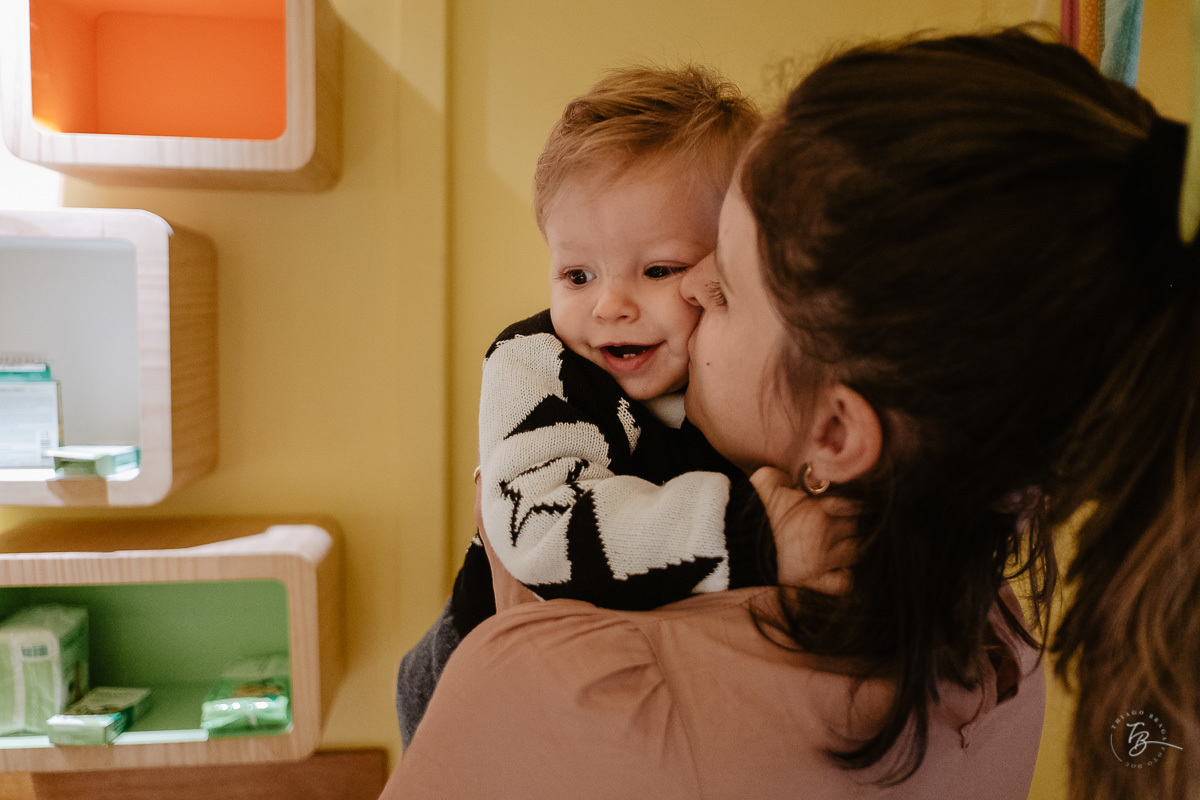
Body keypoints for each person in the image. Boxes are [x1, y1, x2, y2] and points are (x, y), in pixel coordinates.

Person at [376, 27, 1157, 800]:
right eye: (576, 272)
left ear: (836, 435)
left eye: (713, 281)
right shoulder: (1001, 644)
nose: (661, 299)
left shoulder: (601, 695)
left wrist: (531, 657)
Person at [394, 65, 767, 749]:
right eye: (577, 275)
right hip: (463, 669)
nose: (609, 305)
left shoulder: (736, 370)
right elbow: (542, 534)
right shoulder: (537, 364)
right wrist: (754, 534)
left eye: (658, 270)